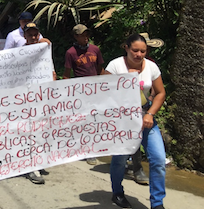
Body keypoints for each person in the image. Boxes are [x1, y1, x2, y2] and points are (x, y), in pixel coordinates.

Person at [105, 34, 167, 209]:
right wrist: (124, 80)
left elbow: (160, 93)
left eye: (143, 51)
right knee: (120, 160)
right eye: (135, 50)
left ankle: (157, 203)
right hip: (123, 122)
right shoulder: (115, 66)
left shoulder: (152, 67)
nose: (139, 54)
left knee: (158, 159)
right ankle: (117, 193)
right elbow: (101, 92)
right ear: (126, 48)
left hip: (146, 119)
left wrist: (150, 114)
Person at [62, 24, 104, 165]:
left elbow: (100, 69)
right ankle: (86, 150)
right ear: (75, 36)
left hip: (95, 89)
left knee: (95, 119)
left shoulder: (95, 50)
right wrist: (66, 93)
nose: (85, 38)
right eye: (82, 35)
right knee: (84, 120)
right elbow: (67, 74)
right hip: (80, 92)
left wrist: (104, 86)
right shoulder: (71, 53)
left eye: (87, 34)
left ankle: (95, 146)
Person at [22, 22, 55, 184]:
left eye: (36, 34)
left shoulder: (45, 52)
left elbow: (53, 73)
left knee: (41, 132)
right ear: (24, 36)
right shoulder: (18, 53)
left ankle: (38, 161)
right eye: (30, 35)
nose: (34, 38)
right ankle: (30, 168)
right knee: (28, 134)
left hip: (42, 98)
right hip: (26, 101)